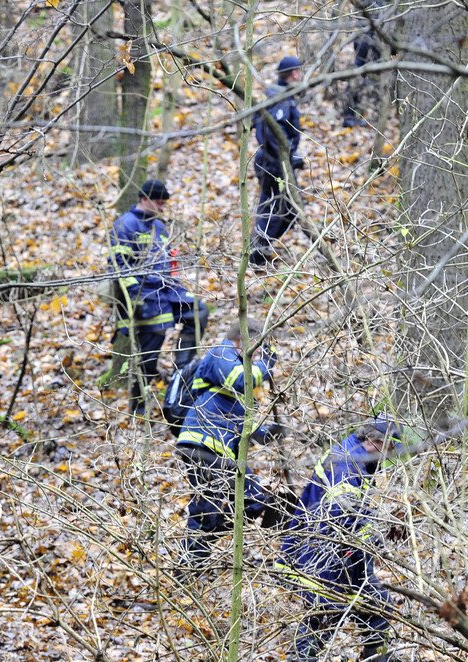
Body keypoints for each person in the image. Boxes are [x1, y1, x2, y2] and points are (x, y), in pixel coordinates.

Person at [275, 416, 405, 662]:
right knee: (323, 619)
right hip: (321, 554)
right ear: (374, 441)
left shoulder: (356, 456)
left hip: (345, 555)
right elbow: (340, 514)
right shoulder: (347, 463)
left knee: (378, 609)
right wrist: (375, 534)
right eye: (387, 445)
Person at [175, 318, 285, 565]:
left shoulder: (234, 364)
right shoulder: (221, 353)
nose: (258, 352)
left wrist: (269, 432)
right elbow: (240, 380)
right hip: (202, 444)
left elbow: (242, 427)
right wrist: (265, 365)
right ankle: (191, 560)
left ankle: (197, 550)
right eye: (258, 345)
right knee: (213, 506)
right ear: (247, 340)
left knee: (245, 500)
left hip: (219, 450)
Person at [109, 179, 209, 412]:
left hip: (167, 291)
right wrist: (136, 298)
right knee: (149, 351)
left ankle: (181, 373)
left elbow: (168, 265)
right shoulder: (125, 225)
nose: (163, 207)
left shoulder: (159, 227)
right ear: (145, 199)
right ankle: (138, 405)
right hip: (144, 296)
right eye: (159, 202)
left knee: (198, 311)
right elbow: (118, 266)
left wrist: (179, 288)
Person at [249, 56, 305, 267]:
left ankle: (260, 248)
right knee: (279, 209)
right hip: (274, 165)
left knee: (283, 209)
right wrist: (288, 157)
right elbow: (274, 133)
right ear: (293, 74)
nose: (300, 75)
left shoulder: (279, 96)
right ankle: (258, 251)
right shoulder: (279, 98)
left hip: (275, 162)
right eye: (298, 72)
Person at [343, 2, 383, 127]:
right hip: (367, 40)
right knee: (359, 77)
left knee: (362, 77)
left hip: (370, 40)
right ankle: (350, 116)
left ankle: (355, 115)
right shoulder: (374, 4)